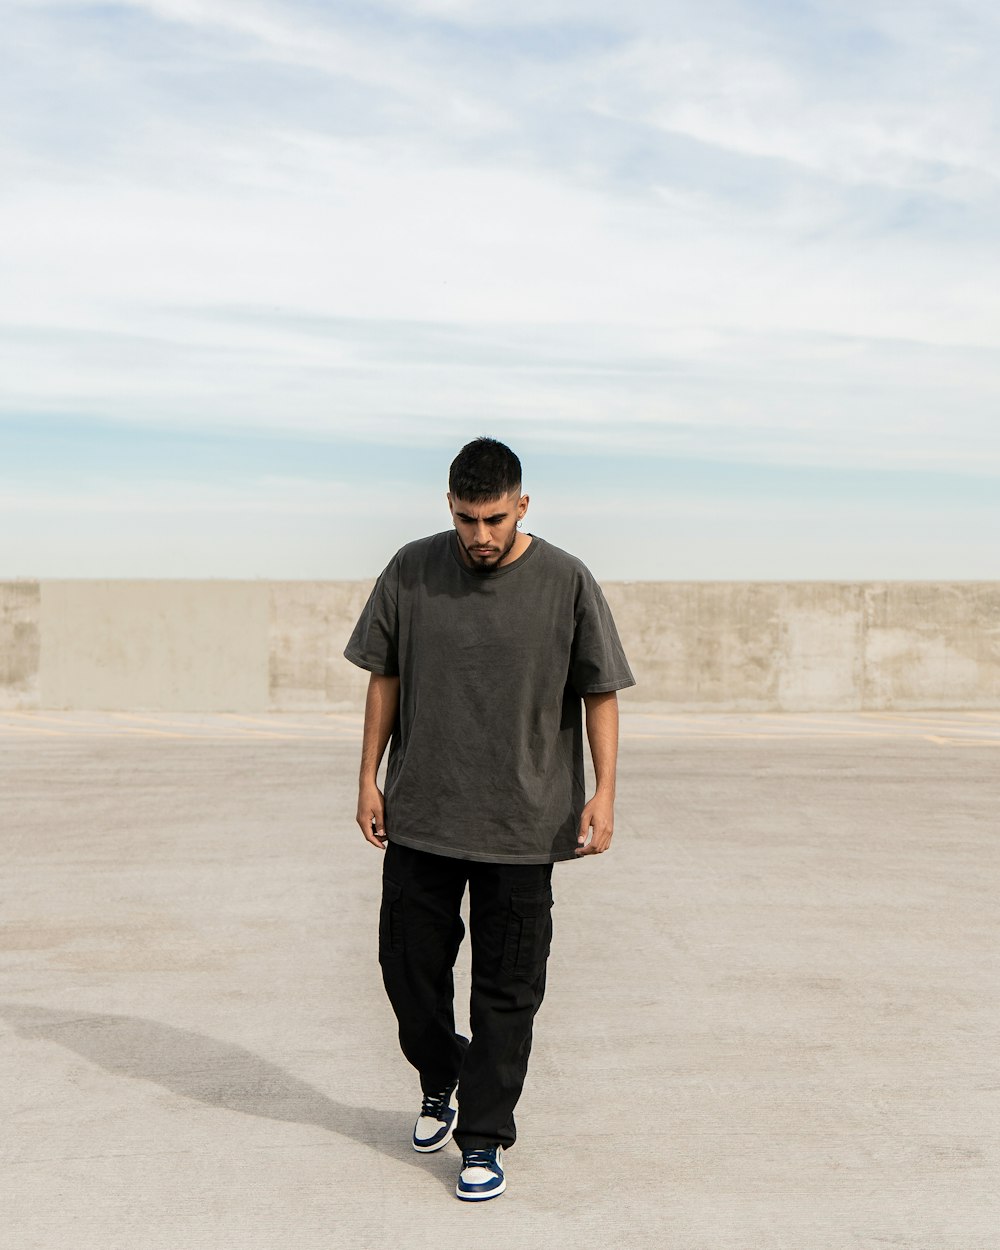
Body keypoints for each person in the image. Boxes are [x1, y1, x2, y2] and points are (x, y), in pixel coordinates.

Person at [344, 436, 635, 1202]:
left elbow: (600, 690)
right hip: (423, 816)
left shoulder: (566, 580)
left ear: (522, 506)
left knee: (509, 989)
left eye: (495, 518)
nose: (480, 534)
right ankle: (443, 1072)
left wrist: (604, 792)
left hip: (524, 825)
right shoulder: (412, 568)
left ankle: (482, 1137)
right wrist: (367, 777)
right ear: (449, 506)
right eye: (468, 518)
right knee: (406, 971)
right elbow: (385, 676)